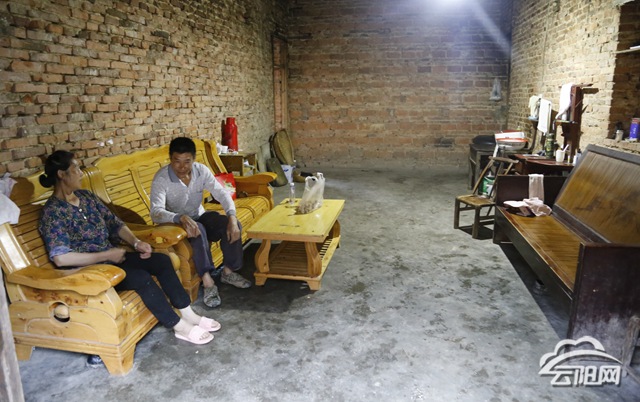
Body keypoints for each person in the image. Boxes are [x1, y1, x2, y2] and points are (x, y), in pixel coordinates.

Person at [38, 150, 219, 346]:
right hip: (89, 271)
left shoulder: (86, 197)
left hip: (112, 259)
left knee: (161, 261)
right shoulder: (53, 212)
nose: (81, 173)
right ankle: (178, 326)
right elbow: (61, 258)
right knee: (140, 277)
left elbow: (115, 224)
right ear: (61, 174)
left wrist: (136, 242)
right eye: (76, 169)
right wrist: (105, 255)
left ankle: (188, 313)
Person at [150, 137, 251, 308]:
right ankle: (208, 282)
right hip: (175, 223)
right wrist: (179, 217)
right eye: (177, 161)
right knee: (198, 231)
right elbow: (156, 213)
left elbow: (222, 193)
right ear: (170, 159)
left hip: (198, 215)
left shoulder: (200, 171)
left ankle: (228, 272)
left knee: (230, 224)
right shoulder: (162, 178)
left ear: (194, 159)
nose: (182, 167)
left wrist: (232, 217)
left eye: (187, 161)